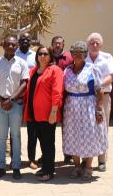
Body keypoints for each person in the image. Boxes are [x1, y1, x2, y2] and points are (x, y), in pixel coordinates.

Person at [63, 41, 107, 181]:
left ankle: (88, 167)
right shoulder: (67, 70)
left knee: (89, 136)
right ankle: (76, 167)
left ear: (85, 55)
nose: (77, 56)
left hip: (88, 106)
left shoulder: (92, 69)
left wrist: (99, 110)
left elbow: (100, 91)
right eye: (74, 53)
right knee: (73, 135)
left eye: (80, 54)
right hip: (71, 108)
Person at [0, 37, 28, 180]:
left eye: (13, 44)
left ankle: (16, 166)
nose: (10, 46)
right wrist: (1, 100)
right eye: (8, 44)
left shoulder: (22, 63)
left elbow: (24, 84)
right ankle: (1, 167)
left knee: (16, 136)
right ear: (2, 45)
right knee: (1, 137)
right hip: (0, 105)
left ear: (17, 46)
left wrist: (11, 100)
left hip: (16, 104)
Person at [23, 45, 64, 181]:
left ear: (51, 56)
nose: (42, 56)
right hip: (34, 114)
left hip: (48, 114)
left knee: (48, 143)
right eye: (40, 54)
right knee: (42, 142)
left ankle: (49, 171)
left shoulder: (55, 70)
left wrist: (53, 112)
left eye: (46, 54)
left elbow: (57, 92)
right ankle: (45, 167)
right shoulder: (33, 71)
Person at [85, 32, 113, 172]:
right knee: (86, 127)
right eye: (92, 42)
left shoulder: (107, 57)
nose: (94, 45)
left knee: (102, 126)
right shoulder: (83, 57)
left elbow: (112, 76)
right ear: (88, 44)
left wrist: (99, 84)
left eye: (97, 42)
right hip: (86, 97)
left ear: (101, 44)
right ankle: (86, 159)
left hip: (103, 96)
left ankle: (102, 160)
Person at [15, 33, 38, 170]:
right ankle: (14, 157)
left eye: (27, 39)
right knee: (14, 129)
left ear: (31, 41)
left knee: (32, 130)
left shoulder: (35, 55)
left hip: (31, 95)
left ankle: (31, 158)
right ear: (19, 41)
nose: (25, 41)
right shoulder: (13, 54)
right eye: (22, 39)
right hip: (15, 95)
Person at [51, 36, 74, 165]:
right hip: (52, 98)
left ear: (63, 45)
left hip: (67, 98)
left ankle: (68, 154)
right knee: (49, 128)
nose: (58, 45)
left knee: (67, 128)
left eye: (60, 43)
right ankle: (48, 154)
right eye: (56, 43)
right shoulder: (48, 56)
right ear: (52, 44)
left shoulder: (69, 58)